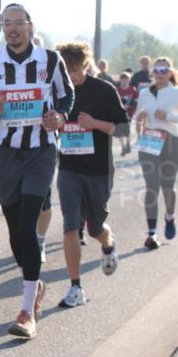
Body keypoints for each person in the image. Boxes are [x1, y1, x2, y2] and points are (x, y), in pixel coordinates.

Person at [0, 4, 74, 339]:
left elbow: (67, 96)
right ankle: (36, 284)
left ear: (30, 26)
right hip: (5, 152)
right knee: (17, 233)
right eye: (7, 24)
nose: (13, 29)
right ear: (2, 28)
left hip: (40, 150)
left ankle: (27, 310)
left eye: (19, 23)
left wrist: (60, 116)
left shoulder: (50, 60)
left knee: (29, 226)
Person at [53, 42, 128, 307]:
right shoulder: (56, 92)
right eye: (65, 71)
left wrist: (94, 123)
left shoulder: (104, 90)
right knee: (71, 225)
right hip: (69, 168)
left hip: (98, 170)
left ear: (86, 66)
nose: (70, 76)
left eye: (74, 70)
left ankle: (108, 243)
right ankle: (76, 287)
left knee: (95, 227)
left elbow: (124, 129)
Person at [134, 57, 178, 249]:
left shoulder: (176, 92)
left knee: (168, 186)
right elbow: (135, 116)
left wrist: (168, 116)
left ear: (170, 72)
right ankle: (152, 233)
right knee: (152, 186)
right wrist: (139, 118)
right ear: (153, 72)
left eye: (164, 70)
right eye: (157, 70)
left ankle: (170, 217)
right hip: (149, 140)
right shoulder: (145, 93)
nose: (160, 73)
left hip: (171, 142)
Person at [117, 70, 138, 154]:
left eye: (126, 79)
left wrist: (135, 108)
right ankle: (123, 147)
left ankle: (128, 143)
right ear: (120, 80)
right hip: (119, 113)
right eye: (122, 79)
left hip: (130, 113)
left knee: (127, 129)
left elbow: (136, 100)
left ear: (129, 80)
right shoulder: (117, 90)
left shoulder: (133, 89)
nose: (124, 81)